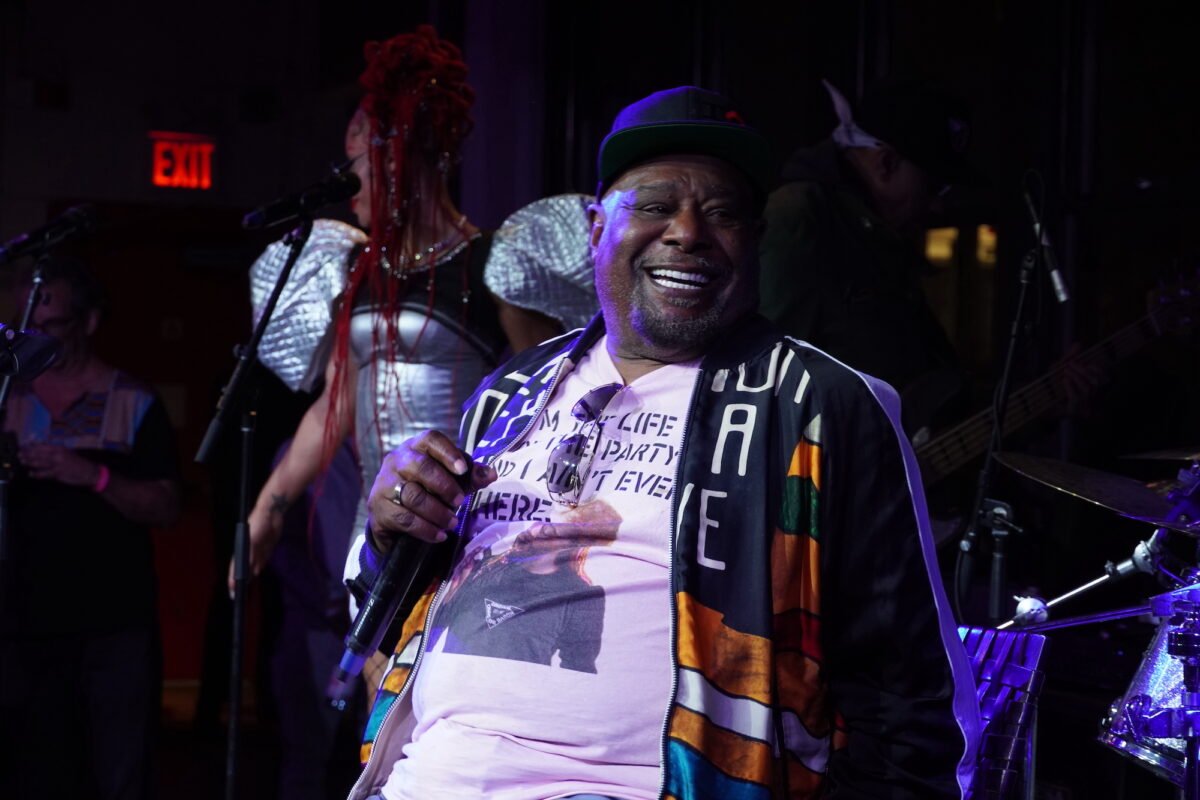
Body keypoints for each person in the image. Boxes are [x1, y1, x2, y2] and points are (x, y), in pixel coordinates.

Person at [346, 86, 980, 799]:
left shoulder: (819, 407)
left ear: (756, 243)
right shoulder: (509, 390)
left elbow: (911, 697)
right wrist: (391, 526)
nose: (687, 231)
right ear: (594, 228)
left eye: (723, 213)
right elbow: (391, 614)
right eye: (652, 205)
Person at [234, 26, 568, 594]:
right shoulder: (358, 270)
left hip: (463, 528)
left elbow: (550, 398)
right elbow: (332, 408)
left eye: (358, 165)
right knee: (367, 676)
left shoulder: (492, 265)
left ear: (403, 157)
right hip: (374, 527)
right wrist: (266, 508)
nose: (349, 186)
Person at [0, 257, 181, 800]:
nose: (41, 342)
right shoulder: (10, 398)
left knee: (116, 771)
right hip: (22, 622)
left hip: (111, 625)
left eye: (52, 328)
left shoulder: (133, 400)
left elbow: (168, 506)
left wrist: (92, 475)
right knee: (31, 770)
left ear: (89, 322)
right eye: (30, 328)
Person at [757, 79, 979, 439]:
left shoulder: (877, 236)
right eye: (934, 186)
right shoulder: (802, 221)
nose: (937, 205)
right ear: (886, 163)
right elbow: (764, 379)